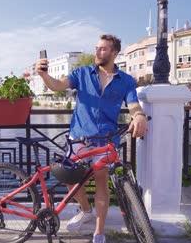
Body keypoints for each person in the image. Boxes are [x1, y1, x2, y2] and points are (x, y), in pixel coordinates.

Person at [36, 34, 148, 243]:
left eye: (103, 49)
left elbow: (133, 105)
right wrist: (43, 75)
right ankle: (86, 211)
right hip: (79, 136)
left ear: (115, 53)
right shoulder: (82, 73)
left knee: (101, 185)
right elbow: (58, 85)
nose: (98, 52)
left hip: (105, 139)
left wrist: (139, 115)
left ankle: (99, 232)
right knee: (70, 180)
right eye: (97, 48)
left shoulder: (126, 81)